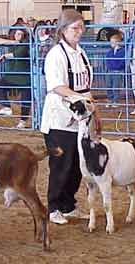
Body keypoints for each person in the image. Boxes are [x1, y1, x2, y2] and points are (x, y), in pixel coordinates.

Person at [40, 9, 94, 225]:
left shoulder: (81, 53)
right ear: (63, 30)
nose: (79, 32)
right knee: (61, 165)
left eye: (81, 27)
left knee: (77, 166)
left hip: (81, 119)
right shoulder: (56, 55)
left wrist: (91, 108)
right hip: (59, 120)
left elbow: (86, 85)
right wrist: (80, 99)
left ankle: (68, 205)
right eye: (75, 28)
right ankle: (53, 207)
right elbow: (57, 86)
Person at [0, 28, 31, 129]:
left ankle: (23, 122)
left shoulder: (26, 43)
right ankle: (6, 107)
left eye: (21, 34)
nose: (18, 35)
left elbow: (18, 54)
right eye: (17, 33)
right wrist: (13, 42)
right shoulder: (13, 42)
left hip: (25, 75)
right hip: (12, 75)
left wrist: (5, 55)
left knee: (26, 100)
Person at [34, 20, 54, 108]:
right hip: (35, 67)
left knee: (43, 91)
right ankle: (38, 114)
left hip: (45, 68)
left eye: (43, 29)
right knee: (36, 92)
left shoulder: (50, 40)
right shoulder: (34, 40)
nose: (41, 31)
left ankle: (43, 112)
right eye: (39, 29)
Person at [105, 33, 125, 107]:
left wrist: (117, 67)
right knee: (108, 85)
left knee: (116, 86)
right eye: (111, 42)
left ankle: (115, 101)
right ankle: (110, 99)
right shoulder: (110, 51)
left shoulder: (122, 51)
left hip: (118, 71)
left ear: (118, 42)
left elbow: (123, 61)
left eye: (113, 42)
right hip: (109, 71)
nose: (111, 44)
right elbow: (107, 60)